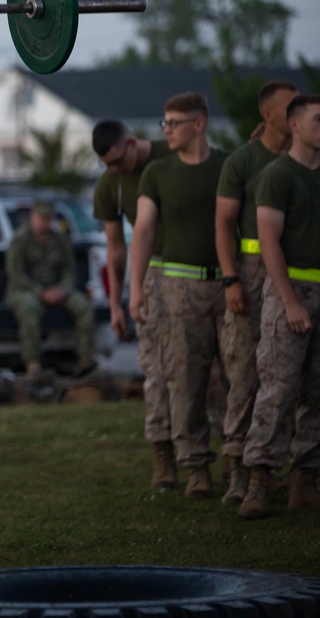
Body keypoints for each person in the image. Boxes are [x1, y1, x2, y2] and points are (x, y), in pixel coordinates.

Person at [238, 94, 320, 519]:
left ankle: (305, 481)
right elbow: (268, 242)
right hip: (292, 291)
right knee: (279, 387)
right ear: (295, 125)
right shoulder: (277, 176)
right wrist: (289, 301)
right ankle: (258, 481)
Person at [130, 92, 228, 500]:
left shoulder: (227, 166)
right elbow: (143, 231)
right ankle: (196, 465)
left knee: (236, 379)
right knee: (184, 377)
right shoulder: (157, 173)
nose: (166, 130)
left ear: (199, 124)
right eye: (164, 123)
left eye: (174, 123)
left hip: (228, 282)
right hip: (178, 286)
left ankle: (242, 464)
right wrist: (136, 288)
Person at [214, 80, 298, 505]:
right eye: (290, 107)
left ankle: (275, 467)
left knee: (284, 375)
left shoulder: (308, 161)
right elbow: (224, 223)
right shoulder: (244, 160)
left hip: (299, 274)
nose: (298, 112)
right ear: (268, 115)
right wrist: (231, 278)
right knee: (244, 372)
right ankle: (237, 471)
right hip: (250, 273)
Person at [91, 120, 174, 487]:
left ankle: (225, 460)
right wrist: (116, 304)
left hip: (196, 270)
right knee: (156, 371)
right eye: (106, 165)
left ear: (132, 143)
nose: (114, 170)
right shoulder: (110, 185)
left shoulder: (171, 153)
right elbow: (116, 249)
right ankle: (164, 457)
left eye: (117, 161)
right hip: (151, 277)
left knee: (214, 372)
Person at [5, 200, 95, 378]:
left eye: (47, 218)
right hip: (25, 290)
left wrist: (63, 289)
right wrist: (41, 292)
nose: (44, 222)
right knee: (29, 308)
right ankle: (33, 363)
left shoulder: (60, 240)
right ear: (32, 217)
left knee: (83, 306)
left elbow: (69, 271)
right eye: (40, 217)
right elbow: (16, 275)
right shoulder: (19, 240)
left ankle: (85, 359)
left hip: (57, 289)